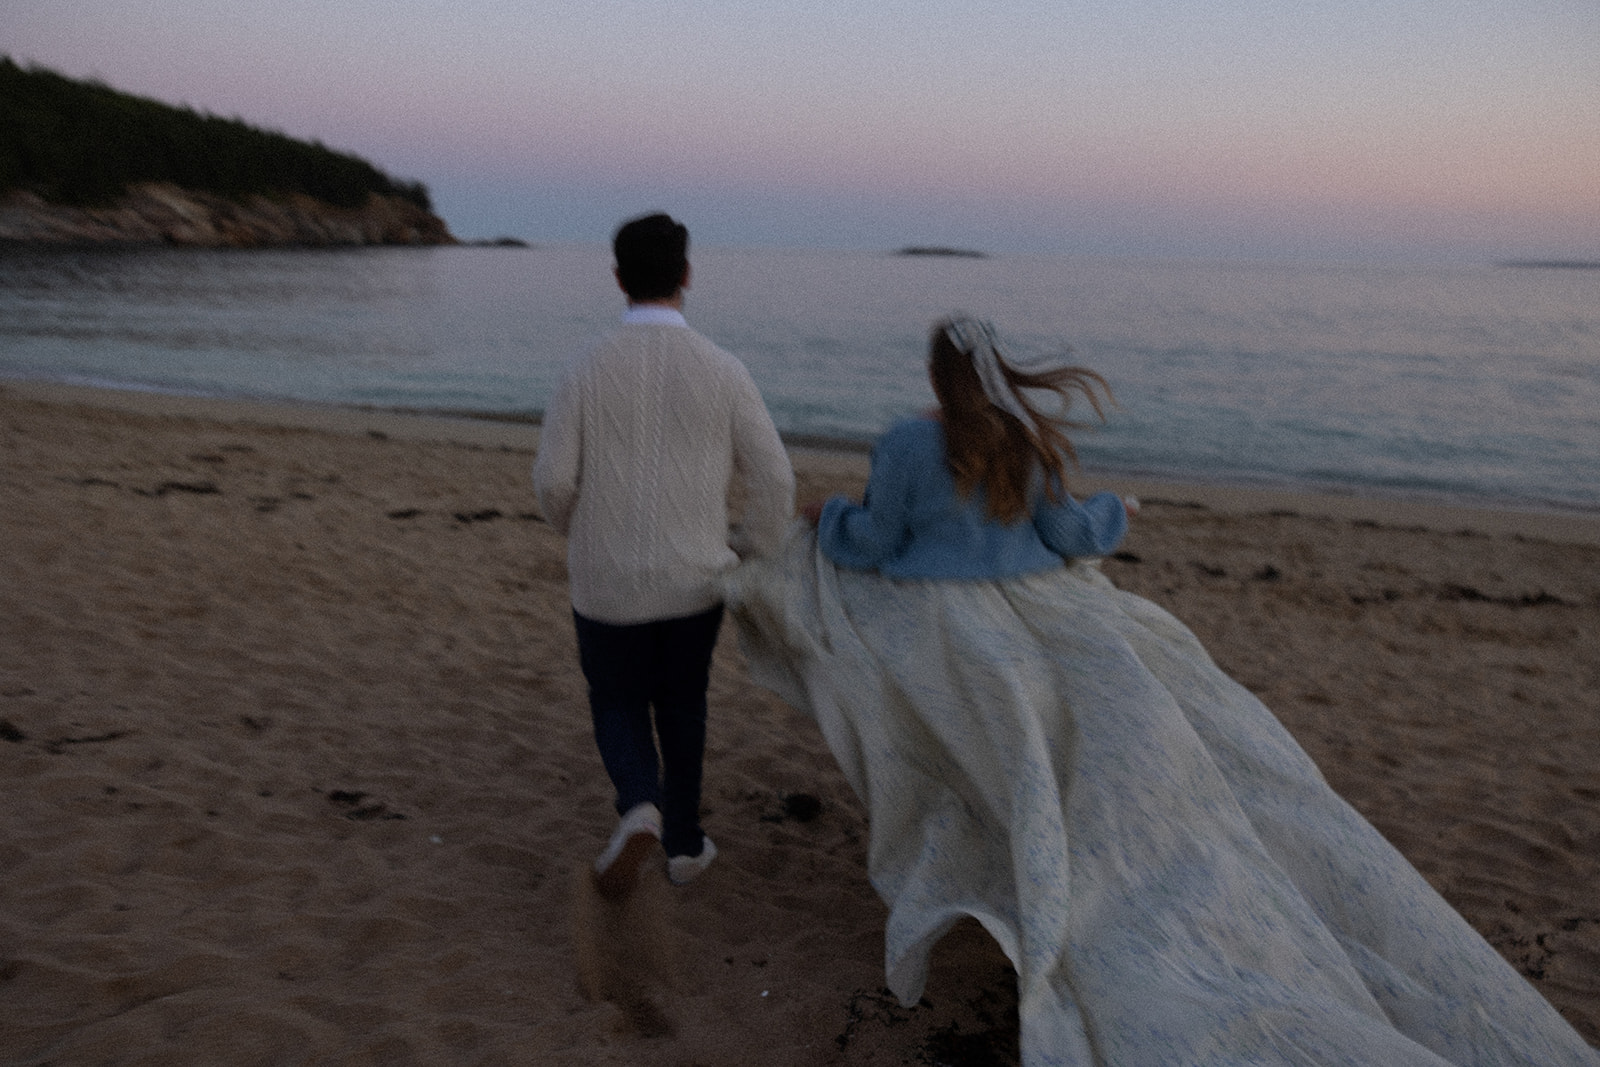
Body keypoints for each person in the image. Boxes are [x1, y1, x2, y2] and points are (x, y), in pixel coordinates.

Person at [723, 316, 1598, 1067]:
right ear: (996, 371)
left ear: (933, 374)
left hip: (949, 627)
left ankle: (1023, 867)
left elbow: (874, 542)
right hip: (1043, 608)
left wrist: (828, 518)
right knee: (1109, 751)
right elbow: (1069, 531)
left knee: (1013, 763)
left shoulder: (906, 442)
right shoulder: (1022, 438)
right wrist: (1118, 511)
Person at [533, 213, 794, 899]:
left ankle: (638, 805)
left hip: (606, 579)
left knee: (616, 700)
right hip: (695, 580)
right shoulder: (724, 369)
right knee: (683, 704)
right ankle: (682, 845)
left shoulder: (584, 366)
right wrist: (747, 547)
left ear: (618, 277)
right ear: (686, 274)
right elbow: (775, 480)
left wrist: (581, 531)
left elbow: (554, 481)